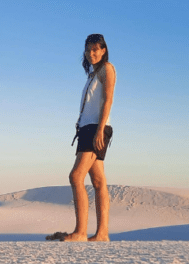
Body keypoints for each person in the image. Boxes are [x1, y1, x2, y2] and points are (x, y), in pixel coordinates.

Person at [63, 34, 116, 242]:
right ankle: (102, 233)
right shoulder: (92, 74)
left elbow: (108, 100)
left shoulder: (107, 69)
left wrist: (99, 130)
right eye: (88, 50)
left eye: (95, 49)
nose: (91, 53)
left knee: (76, 176)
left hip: (97, 128)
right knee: (98, 180)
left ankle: (81, 232)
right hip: (87, 128)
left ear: (103, 50)